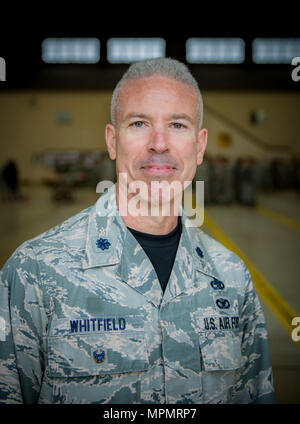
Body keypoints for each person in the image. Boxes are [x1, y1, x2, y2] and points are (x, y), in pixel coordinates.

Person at [0, 58, 275, 404]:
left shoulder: (233, 280)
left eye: (178, 125)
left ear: (200, 146)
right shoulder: (33, 274)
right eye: (139, 123)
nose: (159, 144)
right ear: (112, 141)